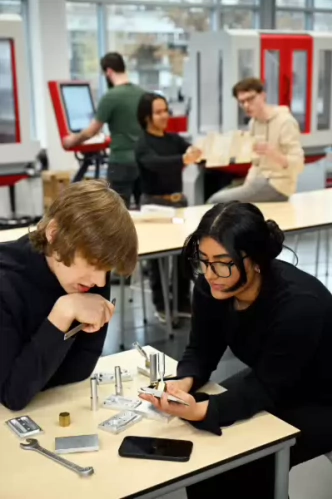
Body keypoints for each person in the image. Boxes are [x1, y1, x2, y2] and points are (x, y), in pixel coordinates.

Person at [139, 201, 332, 498]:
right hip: (275, 378)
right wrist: (184, 381)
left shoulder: (300, 305)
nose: (210, 272)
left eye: (222, 261)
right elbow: (201, 348)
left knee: (249, 463)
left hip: (321, 397)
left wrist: (204, 410)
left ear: (255, 260)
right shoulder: (211, 287)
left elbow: (265, 388)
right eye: (202, 260)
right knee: (204, 458)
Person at [0, 180, 137, 411]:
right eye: (93, 264)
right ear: (54, 234)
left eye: (106, 270)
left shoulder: (86, 277)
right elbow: (13, 395)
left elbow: (77, 372)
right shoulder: (6, 283)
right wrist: (62, 315)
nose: (101, 282)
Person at [135, 92, 201, 322]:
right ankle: (162, 304)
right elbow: (155, 164)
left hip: (178, 203)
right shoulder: (142, 144)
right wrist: (183, 159)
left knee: (184, 253)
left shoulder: (174, 140)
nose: (164, 115)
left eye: (166, 110)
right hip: (153, 206)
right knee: (159, 258)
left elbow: (193, 150)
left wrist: (199, 152)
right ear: (146, 116)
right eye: (158, 111)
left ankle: (182, 301)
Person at [63, 52, 145, 208]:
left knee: (118, 213)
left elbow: (91, 131)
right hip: (142, 161)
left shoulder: (111, 97)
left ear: (108, 71)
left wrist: (71, 141)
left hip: (121, 163)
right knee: (141, 209)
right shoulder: (141, 93)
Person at [208, 77, 304, 204]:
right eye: (242, 102)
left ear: (263, 96)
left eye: (250, 99)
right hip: (258, 180)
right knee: (218, 194)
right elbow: (256, 162)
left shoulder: (285, 122)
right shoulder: (253, 123)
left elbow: (298, 165)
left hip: (278, 184)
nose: (246, 105)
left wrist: (274, 154)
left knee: (216, 201)